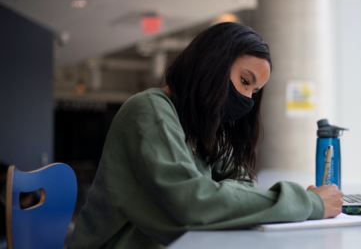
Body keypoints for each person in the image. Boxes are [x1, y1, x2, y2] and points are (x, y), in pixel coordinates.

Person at [68, 22, 343, 248]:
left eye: (254, 92)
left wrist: (218, 196)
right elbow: (193, 202)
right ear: (213, 63)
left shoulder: (199, 127)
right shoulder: (149, 110)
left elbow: (241, 184)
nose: (247, 98)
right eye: (245, 81)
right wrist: (308, 202)